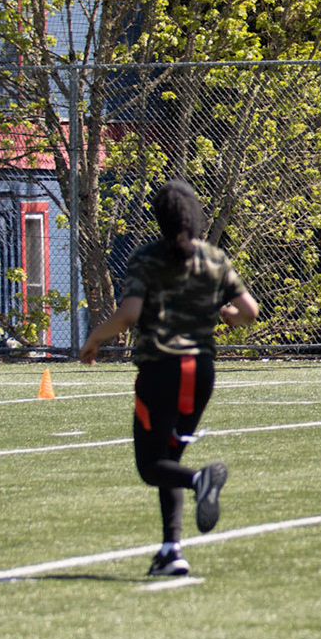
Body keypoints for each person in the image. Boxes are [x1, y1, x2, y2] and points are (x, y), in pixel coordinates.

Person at [79, 180, 260, 576]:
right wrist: (227, 316)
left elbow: (129, 314)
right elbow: (249, 311)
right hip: (201, 373)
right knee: (168, 460)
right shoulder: (214, 258)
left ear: (160, 218)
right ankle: (170, 551)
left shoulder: (147, 257)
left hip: (162, 370)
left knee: (151, 466)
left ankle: (199, 481)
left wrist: (95, 338)